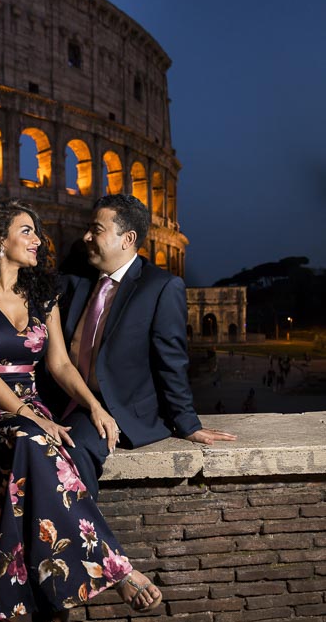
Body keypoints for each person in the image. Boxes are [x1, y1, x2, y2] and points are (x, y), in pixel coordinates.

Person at [0, 199, 162, 622]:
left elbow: (59, 365)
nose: (39, 240)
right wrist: (33, 417)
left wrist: (94, 408)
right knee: (34, 441)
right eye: (27, 231)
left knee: (28, 468)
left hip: (32, 416)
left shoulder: (43, 292)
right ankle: (114, 569)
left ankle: (38, 617)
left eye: (36, 232)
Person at [42, 194, 236, 497]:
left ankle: (85, 538)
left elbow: (170, 360)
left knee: (68, 453)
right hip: (59, 397)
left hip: (111, 406)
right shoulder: (76, 278)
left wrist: (187, 423)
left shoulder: (160, 287)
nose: (86, 237)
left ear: (127, 239)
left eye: (96, 229)